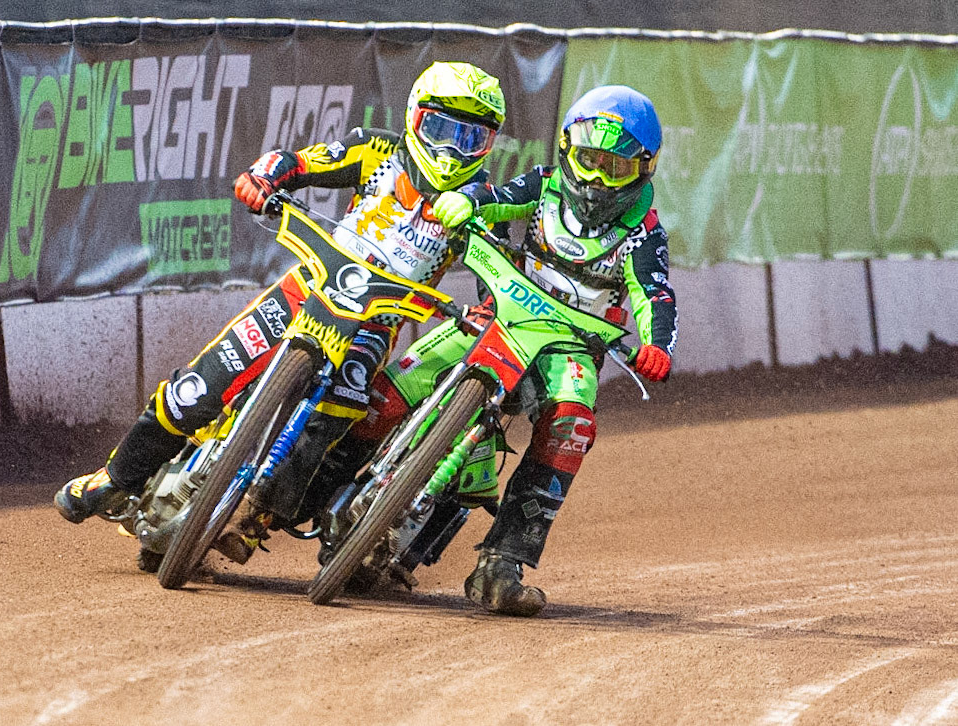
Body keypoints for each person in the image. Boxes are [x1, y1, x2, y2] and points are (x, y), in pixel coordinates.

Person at [53, 62, 507, 566]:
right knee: (201, 387)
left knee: (334, 417)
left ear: (489, 146)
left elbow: (501, 274)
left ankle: (256, 516)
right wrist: (264, 177)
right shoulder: (377, 151)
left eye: (473, 138)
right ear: (414, 118)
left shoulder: (483, 201)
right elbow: (298, 161)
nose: (452, 149)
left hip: (378, 324)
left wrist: (490, 311)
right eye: (442, 130)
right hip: (311, 285)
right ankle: (116, 478)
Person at [316, 84, 678, 616]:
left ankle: (502, 563)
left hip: (571, 345)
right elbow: (499, 197)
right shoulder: (546, 186)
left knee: (573, 422)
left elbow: (654, 294)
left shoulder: (645, 232)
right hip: (499, 315)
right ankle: (308, 495)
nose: (597, 179)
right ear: (566, 149)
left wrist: (658, 344)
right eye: (589, 161)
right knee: (387, 393)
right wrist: (467, 201)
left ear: (643, 171)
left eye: (615, 169)